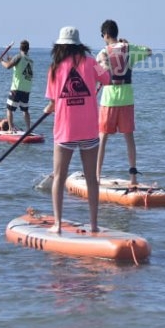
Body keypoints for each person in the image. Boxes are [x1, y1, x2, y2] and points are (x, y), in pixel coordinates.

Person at [44, 26, 111, 234]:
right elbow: (107, 79)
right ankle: (93, 225)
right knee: (91, 178)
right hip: (90, 130)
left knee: (59, 177)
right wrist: (103, 64)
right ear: (79, 45)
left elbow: (54, 101)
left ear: (60, 46)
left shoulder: (54, 68)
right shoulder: (91, 62)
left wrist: (48, 109)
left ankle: (57, 224)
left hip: (65, 131)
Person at [96, 19, 152, 186]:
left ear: (105, 35)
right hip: (127, 100)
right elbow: (149, 51)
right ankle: (133, 177)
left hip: (109, 100)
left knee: (102, 139)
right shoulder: (130, 49)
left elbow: (97, 76)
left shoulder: (102, 53)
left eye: (102, 35)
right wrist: (127, 44)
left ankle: (97, 176)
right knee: (129, 138)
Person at [0, 39, 33, 133]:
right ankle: (28, 129)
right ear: (28, 49)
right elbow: (19, 66)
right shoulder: (30, 60)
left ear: (20, 48)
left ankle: (10, 129)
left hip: (17, 88)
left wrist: (1, 61)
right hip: (26, 89)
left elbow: (7, 66)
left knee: (9, 109)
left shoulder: (18, 56)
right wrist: (10, 60)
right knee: (25, 110)